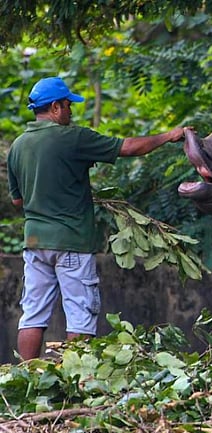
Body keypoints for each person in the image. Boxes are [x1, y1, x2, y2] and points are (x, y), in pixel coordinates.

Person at [6, 76, 188, 361]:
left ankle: (25, 378)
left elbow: (18, 200)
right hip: (72, 242)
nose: (70, 111)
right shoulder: (73, 137)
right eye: (67, 105)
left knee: (32, 314)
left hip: (35, 242)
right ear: (55, 107)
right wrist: (168, 136)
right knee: (80, 314)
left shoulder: (18, 146)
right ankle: (76, 380)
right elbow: (127, 147)